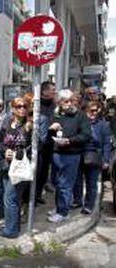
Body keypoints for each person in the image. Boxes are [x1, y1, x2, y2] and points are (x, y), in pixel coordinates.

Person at [47, 90, 91, 223]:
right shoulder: (56, 115)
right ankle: (60, 206)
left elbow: (86, 135)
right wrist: (51, 129)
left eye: (72, 100)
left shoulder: (80, 116)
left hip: (71, 155)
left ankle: (63, 212)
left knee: (65, 185)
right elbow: (49, 137)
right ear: (60, 102)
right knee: (56, 183)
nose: (70, 104)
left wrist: (70, 141)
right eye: (66, 101)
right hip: (56, 154)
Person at [0, 97, 32, 239]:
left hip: (21, 167)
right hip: (7, 166)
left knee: (10, 198)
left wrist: (18, 153)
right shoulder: (7, 123)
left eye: (25, 106)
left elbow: (37, 147)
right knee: (12, 198)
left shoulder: (30, 126)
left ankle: (10, 230)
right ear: (13, 109)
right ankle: (12, 225)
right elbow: (0, 143)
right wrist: (5, 151)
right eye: (18, 106)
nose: (22, 109)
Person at [72, 101, 111, 214]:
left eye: (96, 110)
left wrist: (106, 160)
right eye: (91, 110)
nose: (94, 113)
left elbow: (106, 144)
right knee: (77, 181)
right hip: (79, 154)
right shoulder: (79, 123)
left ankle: (89, 205)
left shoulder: (103, 125)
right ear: (85, 110)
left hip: (94, 156)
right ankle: (77, 200)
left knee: (91, 182)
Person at [36, 81, 56, 200]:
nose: (55, 91)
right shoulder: (37, 106)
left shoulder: (54, 106)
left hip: (50, 144)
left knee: (44, 172)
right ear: (44, 92)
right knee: (37, 172)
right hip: (38, 145)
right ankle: (31, 197)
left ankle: (38, 194)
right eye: (52, 89)